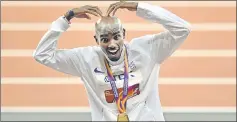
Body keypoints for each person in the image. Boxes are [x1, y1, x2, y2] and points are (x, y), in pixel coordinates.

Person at [33, 1, 191, 121]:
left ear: (124, 33)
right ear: (96, 39)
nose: (112, 44)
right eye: (105, 39)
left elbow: (183, 29)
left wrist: (139, 7)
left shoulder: (146, 50)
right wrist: (67, 17)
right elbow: (42, 54)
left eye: (116, 37)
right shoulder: (86, 59)